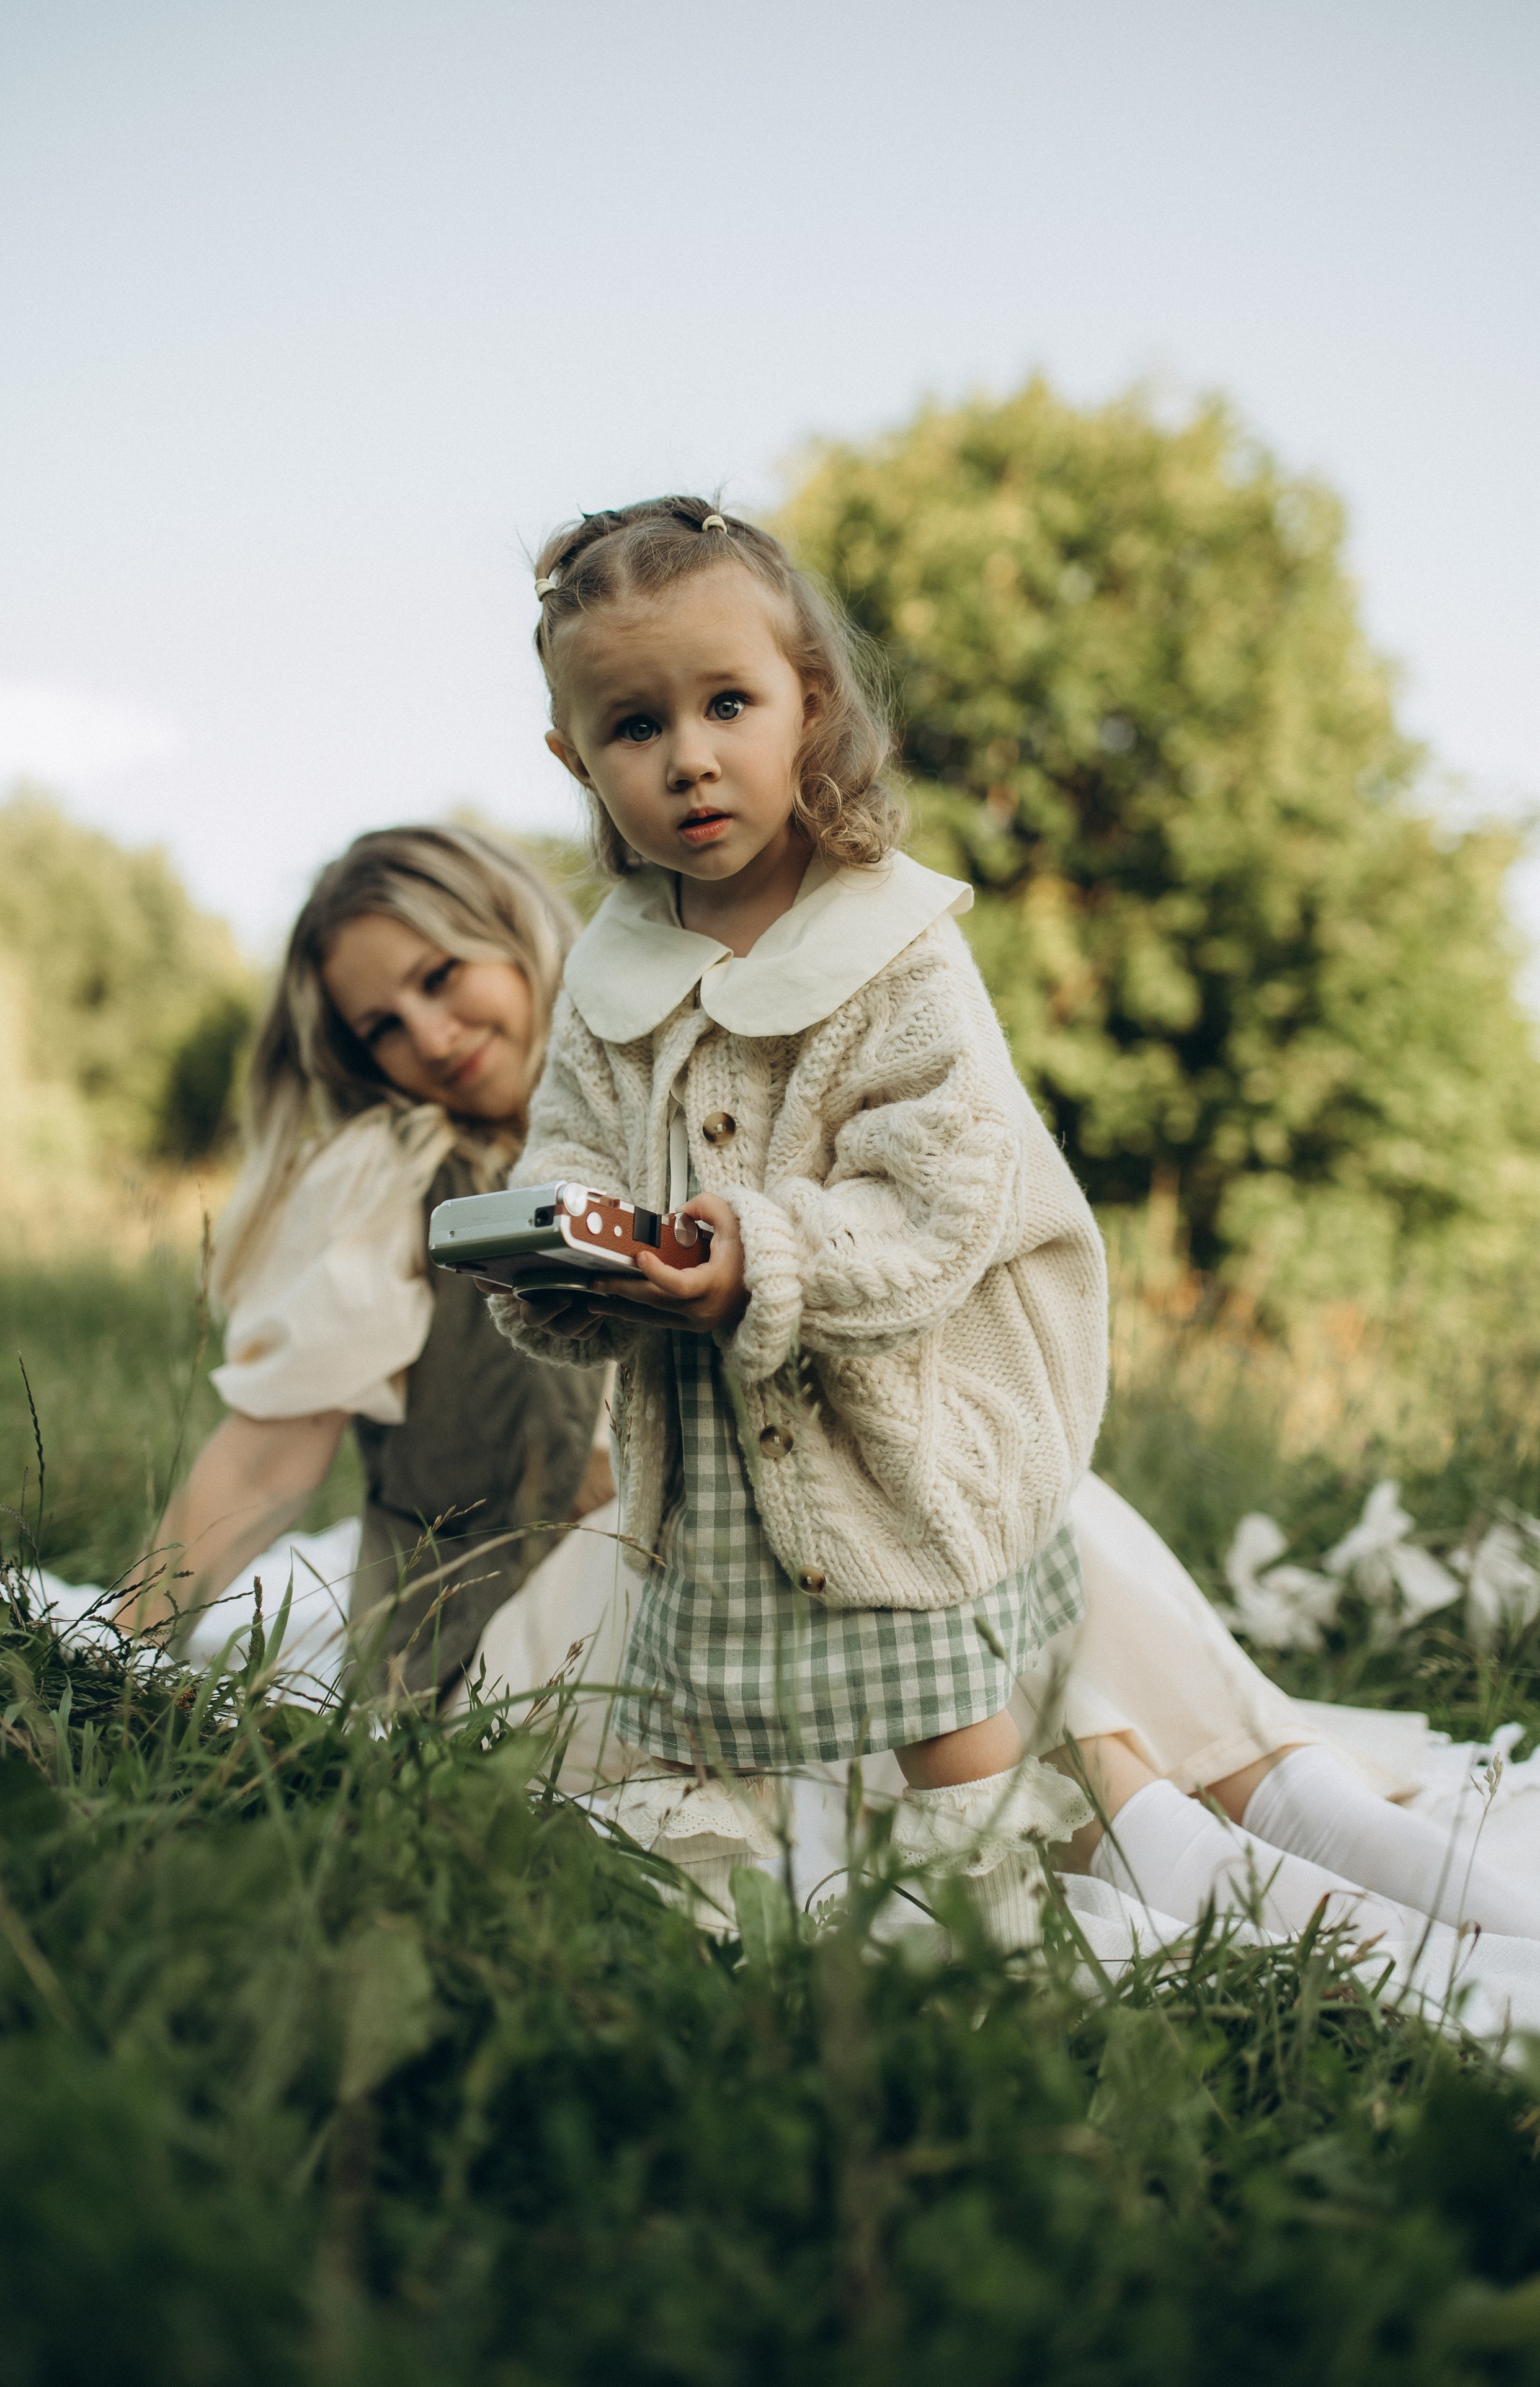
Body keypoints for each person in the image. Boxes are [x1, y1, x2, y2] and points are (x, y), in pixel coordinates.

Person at [482, 494, 1540, 1952]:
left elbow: (940, 1193)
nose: (689, 757)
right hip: (706, 1482)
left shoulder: (891, 948)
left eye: (728, 702)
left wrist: (763, 1253)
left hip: (888, 1451)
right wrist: (575, 1256)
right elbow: (571, 1148)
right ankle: (729, 1947)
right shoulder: (612, 982)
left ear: (810, 705)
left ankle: (995, 1955)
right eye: (631, 726)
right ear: (574, 760)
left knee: (947, 1736)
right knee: (699, 1725)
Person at [120, 824, 604, 1703]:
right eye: (383, 1026)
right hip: (481, 1639)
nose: (430, 1033)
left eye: (438, 977)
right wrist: (119, 1645)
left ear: (514, 929)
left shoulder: (668, 1111)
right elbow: (270, 1457)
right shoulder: (400, 1178)